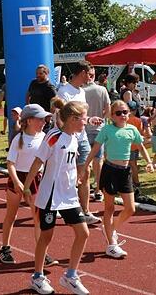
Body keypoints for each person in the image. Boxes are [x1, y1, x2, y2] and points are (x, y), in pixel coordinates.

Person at [23, 101, 91, 295]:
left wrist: (76, 177)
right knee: (46, 237)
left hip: (69, 195)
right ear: (73, 119)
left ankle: (70, 276)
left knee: (83, 233)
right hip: (50, 195)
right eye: (83, 118)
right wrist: (27, 186)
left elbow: (68, 163)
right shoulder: (54, 136)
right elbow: (38, 161)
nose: (85, 122)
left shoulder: (75, 138)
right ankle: (37, 277)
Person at [84, 99, 155, 259]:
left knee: (130, 208)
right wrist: (85, 167)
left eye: (125, 112)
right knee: (109, 208)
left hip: (125, 172)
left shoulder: (132, 129)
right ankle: (111, 245)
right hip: (110, 170)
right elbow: (95, 149)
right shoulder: (107, 129)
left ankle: (110, 229)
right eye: (118, 113)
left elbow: (141, 147)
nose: (122, 115)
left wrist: (149, 162)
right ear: (112, 115)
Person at [0, 105, 58, 267]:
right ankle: (5, 248)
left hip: (36, 180)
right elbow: (10, 163)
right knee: (11, 215)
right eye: (40, 119)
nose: (44, 122)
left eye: (44, 119)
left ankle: (41, 252)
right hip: (18, 178)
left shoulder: (44, 137)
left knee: (37, 218)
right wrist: (16, 181)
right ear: (29, 121)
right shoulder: (19, 139)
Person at [56, 61, 101, 224]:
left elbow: (80, 116)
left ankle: (85, 211)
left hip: (82, 138)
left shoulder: (82, 91)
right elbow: (60, 117)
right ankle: (58, 205)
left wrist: (89, 120)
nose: (91, 78)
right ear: (82, 73)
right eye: (90, 74)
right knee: (65, 174)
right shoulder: (64, 91)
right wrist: (67, 138)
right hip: (69, 138)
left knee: (85, 173)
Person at [84, 67, 111, 203]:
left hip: (83, 129)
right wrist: (102, 119)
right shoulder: (102, 90)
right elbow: (108, 109)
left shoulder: (80, 90)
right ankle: (98, 190)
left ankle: (83, 187)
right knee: (98, 161)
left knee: (84, 161)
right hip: (99, 129)